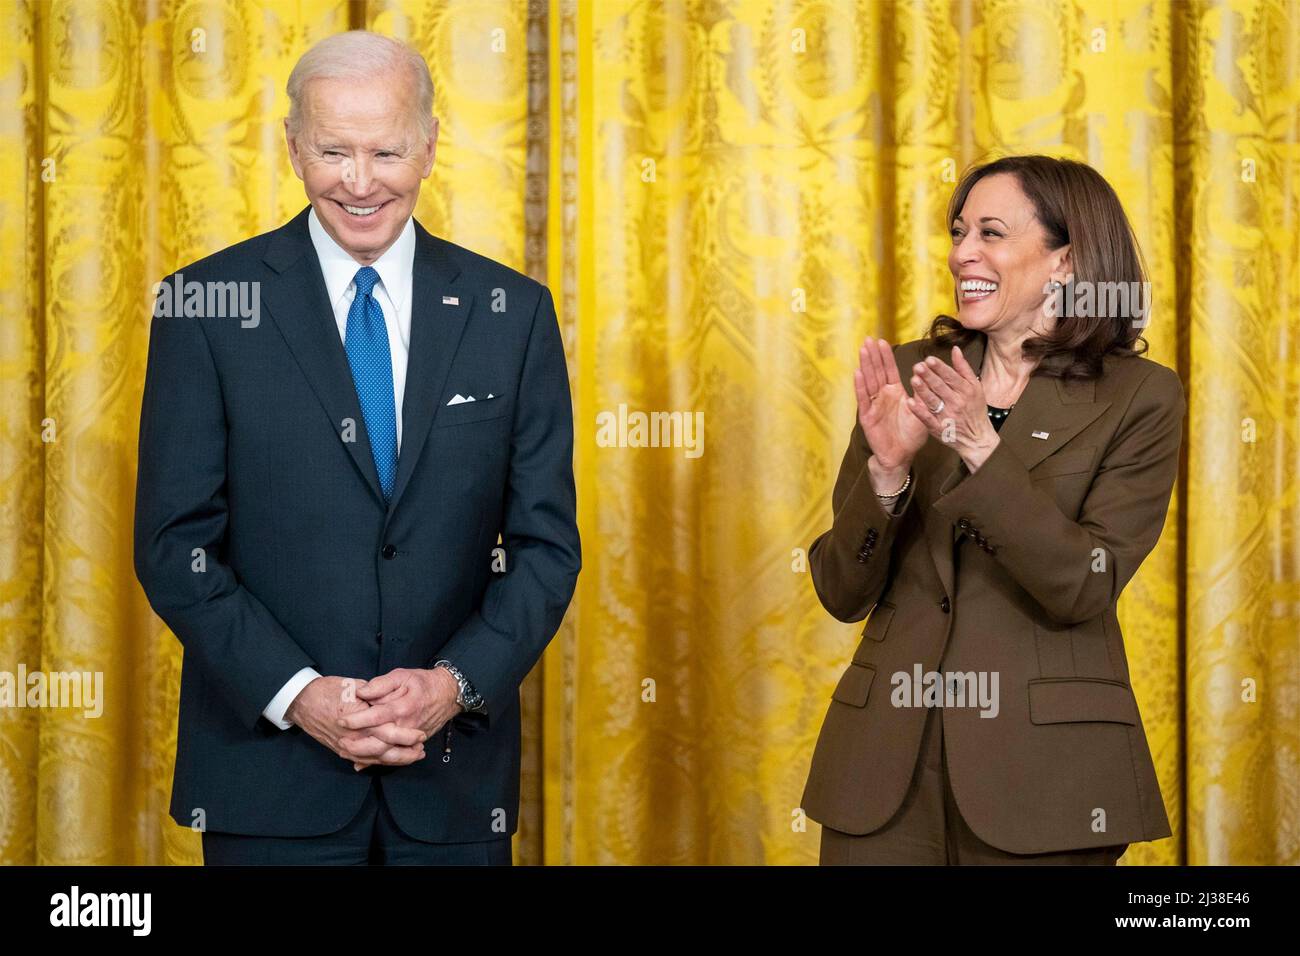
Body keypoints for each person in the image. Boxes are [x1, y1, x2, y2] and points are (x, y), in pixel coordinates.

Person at [133, 30, 580, 865]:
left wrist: (452, 686)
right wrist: (301, 696)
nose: (362, 181)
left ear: (431, 146)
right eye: (334, 151)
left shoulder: (511, 313)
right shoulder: (202, 306)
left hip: (451, 791)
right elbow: (173, 547)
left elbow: (547, 549)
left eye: (388, 151)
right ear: (294, 148)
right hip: (267, 789)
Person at [803, 155, 1181, 865]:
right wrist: (887, 470)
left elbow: (1082, 584)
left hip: (1047, 781)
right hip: (884, 773)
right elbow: (840, 591)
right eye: (958, 231)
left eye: (991, 232)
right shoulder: (915, 373)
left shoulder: (1141, 397)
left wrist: (981, 445)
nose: (961, 252)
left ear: (1064, 261)